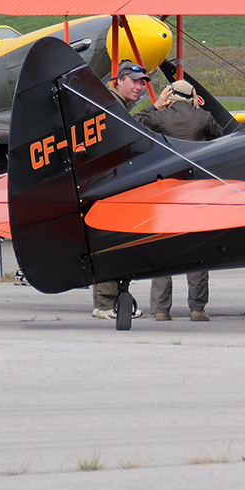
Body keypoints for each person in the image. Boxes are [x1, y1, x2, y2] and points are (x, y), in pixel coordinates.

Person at [135, 79, 224, 321]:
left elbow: (133, 124)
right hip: (196, 192)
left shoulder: (158, 118)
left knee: (163, 250)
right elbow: (221, 138)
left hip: (165, 193)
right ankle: (197, 308)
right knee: (198, 249)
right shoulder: (204, 117)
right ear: (193, 96)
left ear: (170, 96)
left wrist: (156, 104)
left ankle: (161, 309)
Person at [91, 62, 152, 319]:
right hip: (106, 184)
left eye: (142, 83)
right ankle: (105, 305)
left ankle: (109, 301)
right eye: (134, 81)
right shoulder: (110, 105)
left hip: (106, 181)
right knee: (110, 241)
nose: (139, 87)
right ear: (119, 80)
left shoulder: (114, 103)